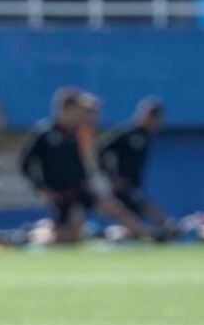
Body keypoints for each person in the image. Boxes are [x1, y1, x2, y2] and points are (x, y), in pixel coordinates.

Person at [20, 88, 153, 243]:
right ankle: (35, 232)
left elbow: (79, 162)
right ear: (67, 109)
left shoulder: (76, 133)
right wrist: (41, 187)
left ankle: (148, 234)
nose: (81, 115)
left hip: (80, 187)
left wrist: (88, 181)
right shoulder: (45, 133)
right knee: (68, 236)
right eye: (78, 110)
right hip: (59, 191)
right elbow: (26, 163)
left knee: (114, 208)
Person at [96, 96, 174, 231]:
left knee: (137, 215)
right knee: (135, 214)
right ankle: (160, 229)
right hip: (122, 184)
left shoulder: (146, 135)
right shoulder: (127, 133)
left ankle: (162, 228)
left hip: (135, 184)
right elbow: (100, 150)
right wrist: (112, 176)